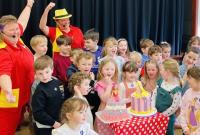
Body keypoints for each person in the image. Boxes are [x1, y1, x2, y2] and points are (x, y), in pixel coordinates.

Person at [0, 0, 35, 134]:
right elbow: (4, 74)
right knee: (5, 129)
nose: (17, 31)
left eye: (16, 28)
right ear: (2, 33)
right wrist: (8, 91)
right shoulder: (3, 51)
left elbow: (22, 22)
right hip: (9, 100)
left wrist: (29, 5)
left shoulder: (17, 39)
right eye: (12, 30)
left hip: (23, 96)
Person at [31, 55, 65, 135]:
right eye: (40, 74)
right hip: (45, 127)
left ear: (52, 70)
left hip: (58, 121)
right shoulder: (39, 91)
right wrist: (53, 123)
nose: (44, 76)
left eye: (47, 72)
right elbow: (38, 113)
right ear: (35, 74)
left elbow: (62, 97)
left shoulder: (57, 82)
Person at [152, 58, 182, 135]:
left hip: (168, 118)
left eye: (161, 70)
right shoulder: (161, 81)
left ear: (167, 72)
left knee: (168, 132)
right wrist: (153, 107)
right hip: (156, 114)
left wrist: (163, 115)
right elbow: (154, 93)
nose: (160, 72)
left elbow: (174, 107)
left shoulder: (176, 89)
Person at [94, 58, 118, 135]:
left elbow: (116, 98)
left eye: (112, 69)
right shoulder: (99, 84)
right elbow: (104, 99)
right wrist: (109, 85)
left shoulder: (114, 83)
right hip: (103, 112)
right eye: (107, 69)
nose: (109, 71)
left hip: (113, 112)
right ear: (101, 70)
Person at [179, 67, 200, 135]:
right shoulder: (188, 92)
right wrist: (185, 128)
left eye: (190, 78)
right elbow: (182, 111)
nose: (187, 80)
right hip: (187, 130)